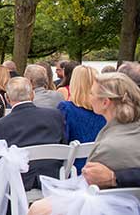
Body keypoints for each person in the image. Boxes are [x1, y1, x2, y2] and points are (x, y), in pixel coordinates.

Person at [28, 73, 140, 215]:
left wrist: (113, 177)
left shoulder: (110, 147)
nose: (89, 97)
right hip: (122, 200)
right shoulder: (128, 128)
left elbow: (93, 183)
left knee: (37, 209)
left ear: (105, 102)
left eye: (91, 93)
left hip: (111, 205)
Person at [0, 77, 65, 191]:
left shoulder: (2, 124)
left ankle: (4, 207)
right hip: (53, 175)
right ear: (32, 95)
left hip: (20, 179)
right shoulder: (55, 115)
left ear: (7, 98)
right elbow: (63, 144)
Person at [58, 65, 106, 172]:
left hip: (73, 169)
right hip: (101, 168)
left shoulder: (66, 109)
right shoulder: (105, 110)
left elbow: (61, 141)